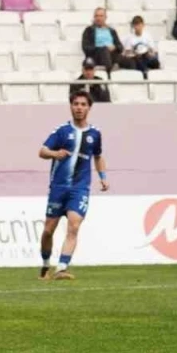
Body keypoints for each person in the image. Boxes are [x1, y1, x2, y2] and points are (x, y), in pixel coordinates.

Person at [38, 91, 107, 281]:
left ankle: (61, 268)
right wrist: (55, 154)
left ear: (89, 108)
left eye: (83, 104)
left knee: (74, 226)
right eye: (76, 104)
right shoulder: (62, 131)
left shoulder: (95, 134)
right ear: (71, 106)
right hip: (58, 188)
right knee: (48, 231)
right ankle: (45, 265)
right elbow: (42, 151)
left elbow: (98, 156)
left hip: (80, 188)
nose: (79, 107)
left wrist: (103, 176)